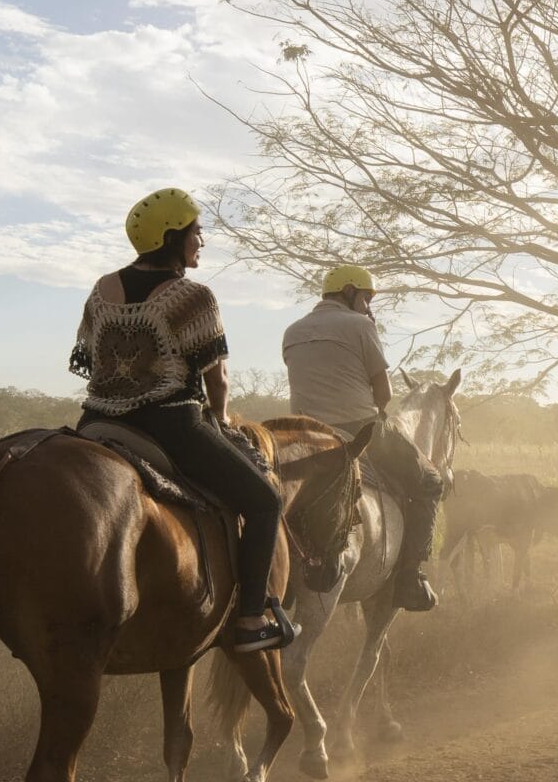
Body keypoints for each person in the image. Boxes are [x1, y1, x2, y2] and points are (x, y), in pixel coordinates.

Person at [70, 188, 293, 653]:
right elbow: (218, 379)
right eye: (196, 232)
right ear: (171, 236)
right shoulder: (193, 297)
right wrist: (222, 419)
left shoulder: (101, 290)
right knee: (265, 499)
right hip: (169, 425)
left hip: (95, 424)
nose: (201, 241)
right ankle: (251, 618)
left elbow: (93, 361)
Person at [282, 264, 443, 612]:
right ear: (350, 292)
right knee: (431, 481)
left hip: (303, 432)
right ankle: (410, 577)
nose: (369, 306)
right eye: (367, 298)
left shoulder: (292, 330)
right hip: (357, 428)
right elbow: (383, 395)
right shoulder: (360, 325)